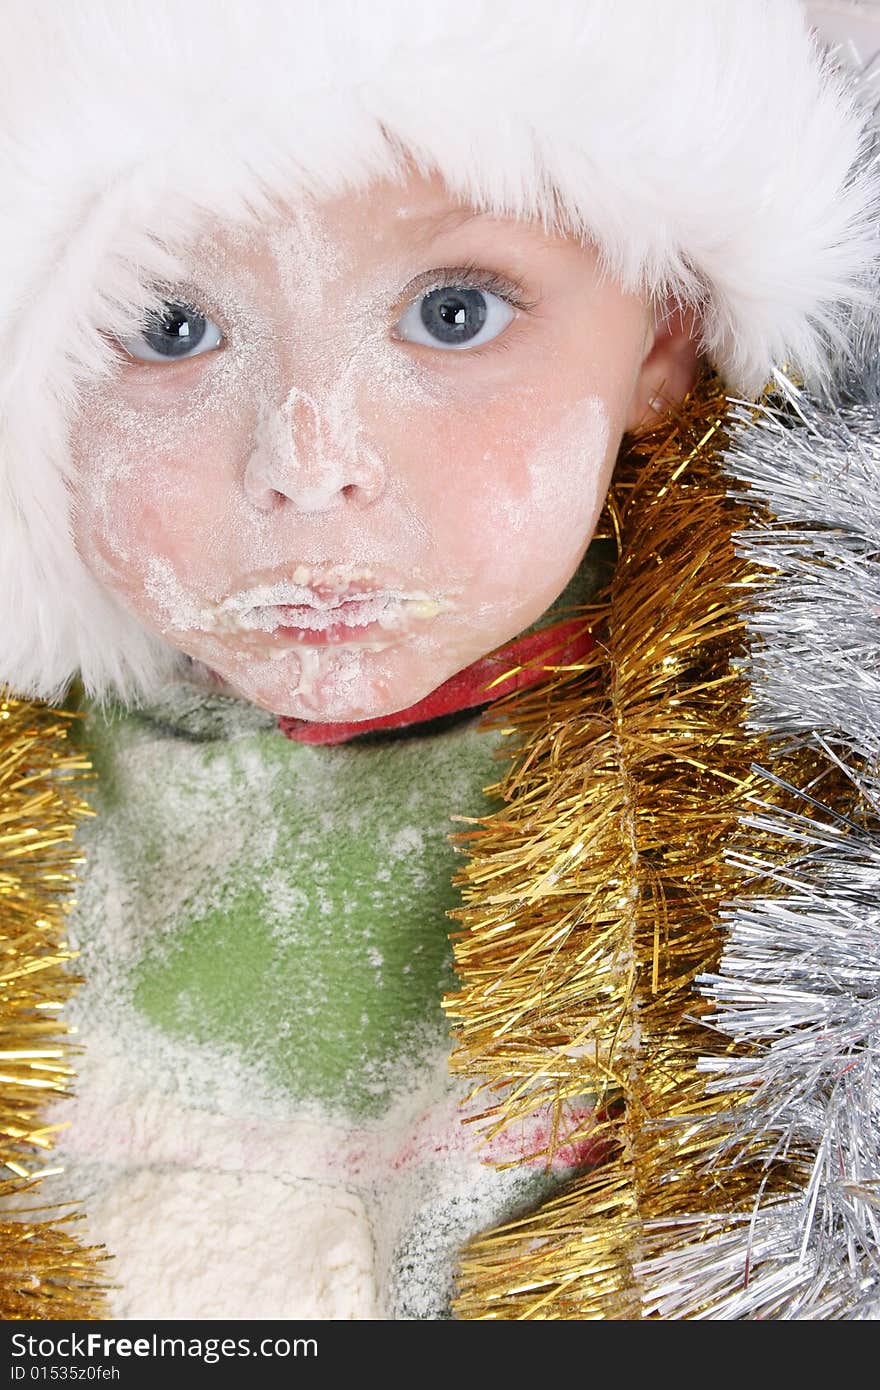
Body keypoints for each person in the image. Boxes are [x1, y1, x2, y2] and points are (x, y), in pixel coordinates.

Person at [0, 0, 876, 1319]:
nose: (307, 464)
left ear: (661, 338)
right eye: (170, 327)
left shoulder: (803, 799)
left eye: (455, 312)